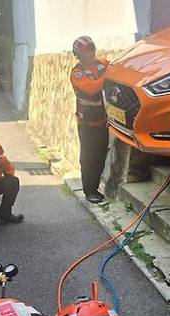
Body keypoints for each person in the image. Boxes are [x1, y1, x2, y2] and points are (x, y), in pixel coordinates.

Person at [70, 36, 110, 204]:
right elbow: (92, 88)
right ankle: (89, 191)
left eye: (91, 50)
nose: (90, 55)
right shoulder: (77, 73)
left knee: (100, 156)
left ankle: (95, 188)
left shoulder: (102, 63)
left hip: (102, 120)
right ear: (78, 55)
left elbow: (116, 66)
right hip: (86, 124)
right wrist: (109, 76)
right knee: (88, 158)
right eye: (86, 53)